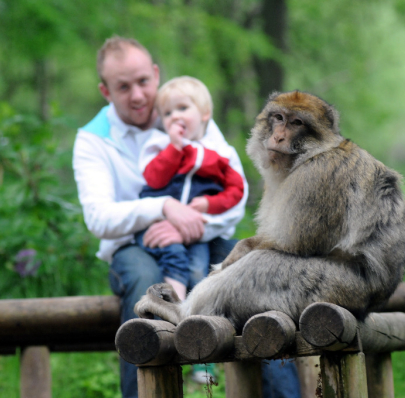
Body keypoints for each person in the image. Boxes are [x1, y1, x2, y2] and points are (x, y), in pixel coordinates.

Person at [72, 36, 300, 398]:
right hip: (136, 245)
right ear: (105, 90)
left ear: (156, 74)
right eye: (123, 87)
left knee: (254, 276)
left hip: (203, 236)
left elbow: (234, 193)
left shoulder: (186, 108)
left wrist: (189, 223)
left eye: (144, 82)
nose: (137, 95)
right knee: (148, 286)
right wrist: (162, 209)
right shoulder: (93, 140)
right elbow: (99, 218)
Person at [135, 76, 245, 301]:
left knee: (198, 267)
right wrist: (174, 148)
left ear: (205, 113)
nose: (175, 116)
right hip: (160, 225)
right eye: (167, 113)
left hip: (197, 233)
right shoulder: (158, 145)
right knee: (174, 255)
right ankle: (173, 310)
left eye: (183, 108)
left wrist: (209, 204)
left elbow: (236, 191)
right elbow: (153, 179)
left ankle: (196, 316)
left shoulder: (221, 153)